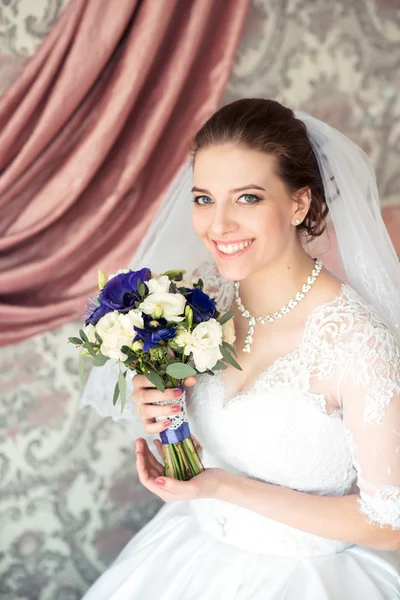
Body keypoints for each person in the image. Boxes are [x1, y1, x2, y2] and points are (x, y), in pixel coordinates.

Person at [80, 99, 400, 599]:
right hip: (192, 555)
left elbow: (390, 524)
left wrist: (220, 487)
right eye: (204, 198)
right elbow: (224, 446)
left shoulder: (356, 341)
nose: (219, 225)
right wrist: (168, 422)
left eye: (247, 198)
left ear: (298, 204)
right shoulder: (199, 303)